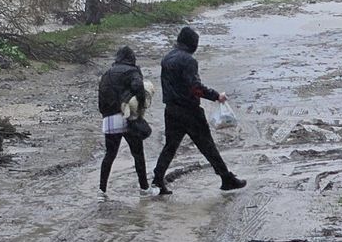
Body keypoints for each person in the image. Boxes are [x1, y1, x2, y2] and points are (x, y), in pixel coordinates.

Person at [152, 25, 246, 194]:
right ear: (192, 44)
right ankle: (226, 178)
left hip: (171, 110)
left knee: (170, 147)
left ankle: (157, 180)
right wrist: (216, 96)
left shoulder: (166, 59)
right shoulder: (189, 61)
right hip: (189, 111)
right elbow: (195, 87)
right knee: (207, 145)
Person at [97, 45, 150, 192]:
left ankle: (102, 190)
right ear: (132, 59)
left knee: (109, 155)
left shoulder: (107, 74)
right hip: (127, 118)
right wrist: (140, 106)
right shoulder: (132, 71)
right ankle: (144, 188)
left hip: (109, 120)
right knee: (138, 154)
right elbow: (138, 86)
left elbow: (101, 99)